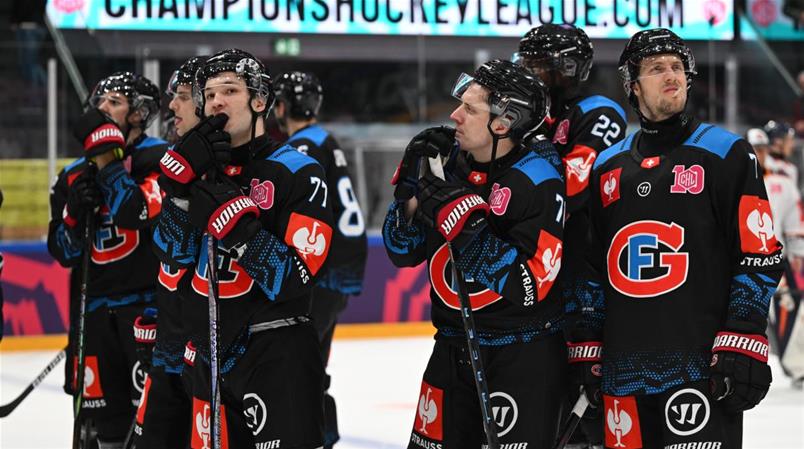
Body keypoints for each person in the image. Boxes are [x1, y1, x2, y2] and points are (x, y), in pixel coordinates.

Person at [578, 29, 783, 448]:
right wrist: (587, 346)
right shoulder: (606, 167)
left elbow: (758, 254)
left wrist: (743, 337)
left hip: (700, 370)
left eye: (677, 67)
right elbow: (591, 269)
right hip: (623, 372)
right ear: (633, 86)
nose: (671, 75)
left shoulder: (727, 154)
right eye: (656, 68)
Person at [154, 48, 333, 448]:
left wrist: (237, 226)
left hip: (277, 352)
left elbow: (295, 279)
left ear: (260, 101)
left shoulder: (299, 171)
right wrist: (180, 194)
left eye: (230, 90)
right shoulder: (198, 169)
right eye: (210, 93)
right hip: (209, 356)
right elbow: (171, 257)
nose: (216, 100)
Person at [383, 59, 567, 447]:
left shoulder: (538, 180)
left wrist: (467, 227)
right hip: (450, 348)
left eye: (470, 109)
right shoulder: (448, 163)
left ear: (502, 123)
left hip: (520, 357)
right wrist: (409, 199)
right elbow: (401, 252)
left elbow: (532, 286)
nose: (454, 116)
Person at [518, 24, 628, 448]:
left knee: (589, 404)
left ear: (569, 67)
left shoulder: (599, 112)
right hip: (550, 277)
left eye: (539, 65)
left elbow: (574, 187)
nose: (530, 73)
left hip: (589, 278)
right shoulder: (541, 117)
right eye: (526, 63)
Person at [47, 71, 167, 448]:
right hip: (95, 317)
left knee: (153, 421)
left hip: (146, 313)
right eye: (99, 102)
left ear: (139, 113)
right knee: (103, 428)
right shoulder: (72, 175)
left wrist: (110, 170)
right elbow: (64, 253)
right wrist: (72, 215)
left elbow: (144, 211)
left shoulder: (159, 159)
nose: (102, 108)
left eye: (114, 102)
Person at [274, 70, 368, 448]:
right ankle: (321, 435)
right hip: (341, 266)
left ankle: (315, 436)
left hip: (323, 268)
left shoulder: (304, 148)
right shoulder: (325, 140)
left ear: (283, 105)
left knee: (300, 363)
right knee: (311, 360)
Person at [131, 55, 206, 449]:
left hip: (210, 355)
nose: (171, 107)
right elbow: (171, 255)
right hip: (169, 348)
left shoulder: (246, 172)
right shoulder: (171, 165)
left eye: (180, 97)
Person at [747, 128, 804, 390]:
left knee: (787, 307)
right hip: (740, 260)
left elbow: (793, 218)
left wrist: (797, 254)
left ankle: (797, 367)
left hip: (774, 257)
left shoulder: (783, 181)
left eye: (761, 148)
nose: (758, 153)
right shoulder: (730, 178)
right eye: (754, 148)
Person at [763, 120, 799, 187]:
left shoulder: (791, 169)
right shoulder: (762, 164)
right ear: (777, 141)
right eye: (789, 140)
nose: (793, 145)